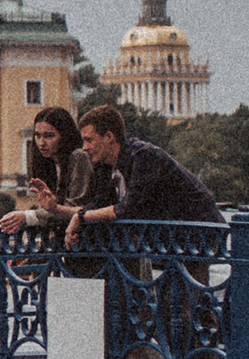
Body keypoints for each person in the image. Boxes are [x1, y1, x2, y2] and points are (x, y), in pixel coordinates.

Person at [61, 96, 222, 248]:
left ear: (109, 137)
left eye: (89, 140)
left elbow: (128, 208)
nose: (84, 147)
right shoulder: (105, 164)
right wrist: (68, 214)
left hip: (200, 234)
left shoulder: (143, 155)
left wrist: (81, 217)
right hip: (171, 240)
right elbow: (100, 204)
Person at [7, 104, 86, 232]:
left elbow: (75, 209)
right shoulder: (52, 165)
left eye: (49, 136)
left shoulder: (79, 158)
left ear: (64, 136)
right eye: (37, 136)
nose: (41, 143)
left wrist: (28, 217)